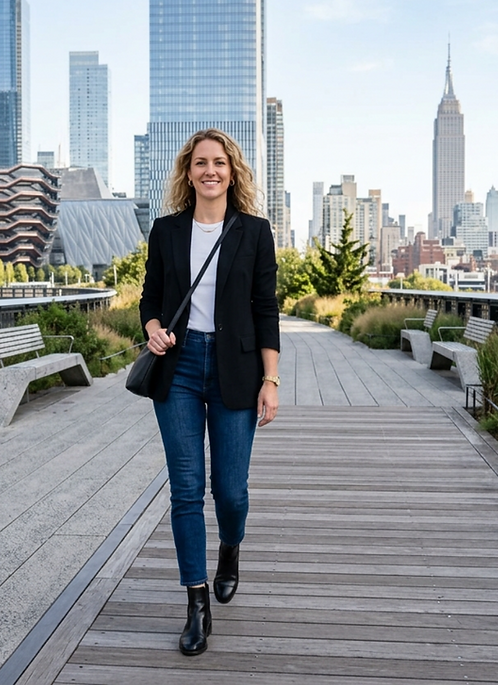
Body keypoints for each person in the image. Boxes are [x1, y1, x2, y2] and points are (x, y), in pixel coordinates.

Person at [139, 128, 280, 656]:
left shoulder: (255, 231)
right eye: (201, 163)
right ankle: (196, 603)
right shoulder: (166, 230)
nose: (210, 171)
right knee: (186, 488)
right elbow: (151, 296)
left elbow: (266, 310)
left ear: (232, 170)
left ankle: (231, 548)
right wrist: (152, 326)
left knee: (231, 491)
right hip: (177, 368)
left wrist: (271, 380)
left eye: (219, 162)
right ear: (188, 171)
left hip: (236, 369)